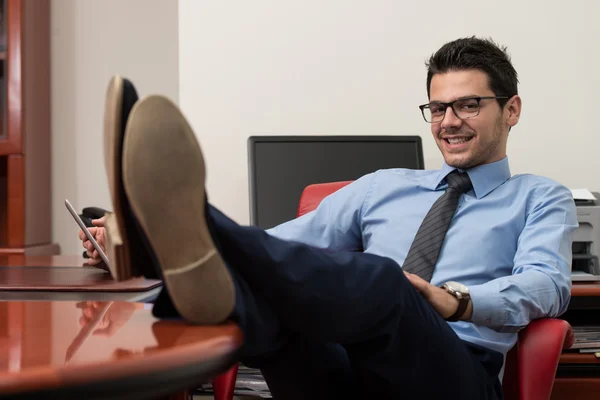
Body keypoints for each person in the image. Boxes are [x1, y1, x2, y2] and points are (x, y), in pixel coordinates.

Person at [79, 37, 577, 399]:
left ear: (511, 110)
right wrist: (151, 238)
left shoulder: (538, 197)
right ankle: (172, 255)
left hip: (452, 373)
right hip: (343, 374)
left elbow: (547, 284)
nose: (448, 122)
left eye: (468, 105)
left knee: (388, 286)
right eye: (438, 107)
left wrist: (452, 301)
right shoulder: (384, 185)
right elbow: (281, 248)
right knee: (276, 310)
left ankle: (192, 229)